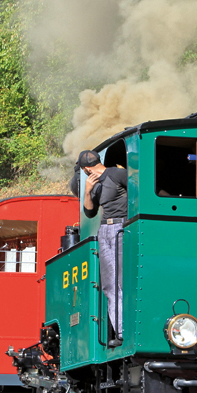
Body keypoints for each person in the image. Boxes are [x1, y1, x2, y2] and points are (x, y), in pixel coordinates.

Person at [77, 149, 127, 348]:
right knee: (109, 284)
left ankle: (125, 329)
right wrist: (88, 190)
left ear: (86, 169)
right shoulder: (94, 184)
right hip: (105, 230)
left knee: (121, 281)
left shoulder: (116, 174)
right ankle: (120, 331)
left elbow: (139, 189)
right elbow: (90, 212)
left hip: (121, 227)